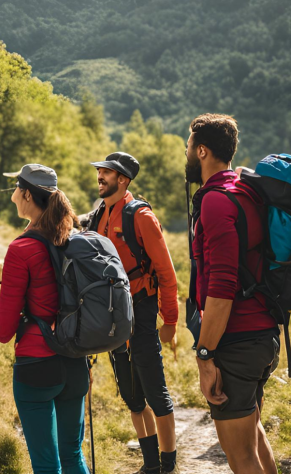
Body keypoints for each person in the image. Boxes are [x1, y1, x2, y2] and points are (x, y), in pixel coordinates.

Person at [186, 113, 280, 474]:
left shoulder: (215, 201)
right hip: (263, 334)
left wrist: (205, 356)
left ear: (203, 150)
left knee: (240, 456)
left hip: (237, 341)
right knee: (252, 434)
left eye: (189, 148)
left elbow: (222, 289)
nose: (187, 154)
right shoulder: (244, 192)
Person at [0, 164, 90, 474]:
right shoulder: (73, 241)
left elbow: (3, 331)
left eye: (14, 192)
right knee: (73, 454)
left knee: (47, 465)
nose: (12, 200)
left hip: (37, 365)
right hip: (75, 360)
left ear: (26, 194)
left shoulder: (21, 249)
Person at [89, 152, 179, 474]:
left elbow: (167, 274)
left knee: (155, 391)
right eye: (99, 171)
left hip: (141, 311)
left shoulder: (140, 216)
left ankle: (168, 465)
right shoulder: (99, 213)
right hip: (113, 314)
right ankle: (151, 464)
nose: (99, 176)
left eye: (106, 172)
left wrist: (170, 320)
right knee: (131, 395)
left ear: (122, 180)